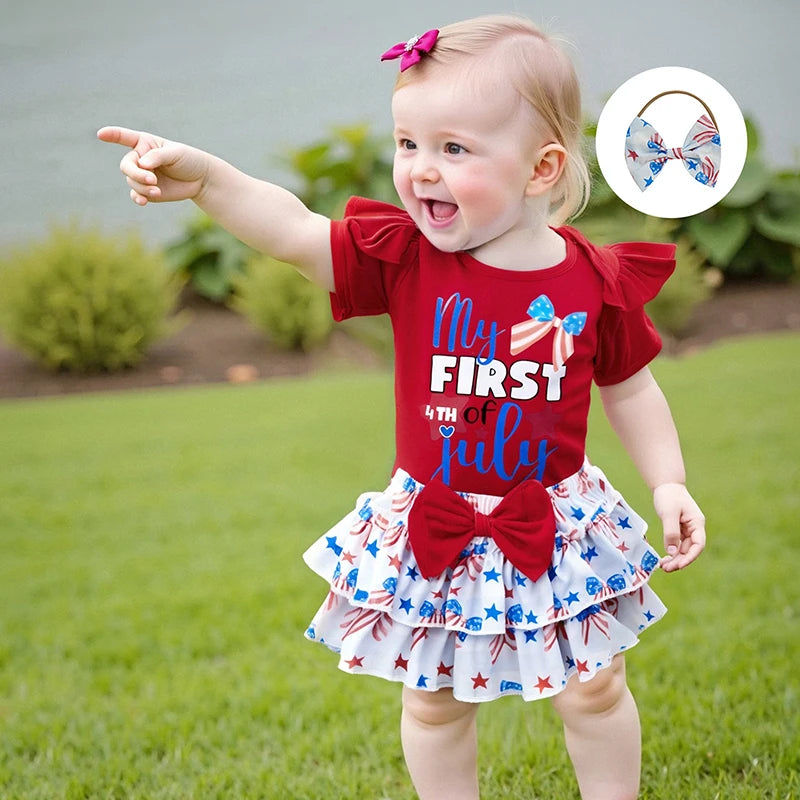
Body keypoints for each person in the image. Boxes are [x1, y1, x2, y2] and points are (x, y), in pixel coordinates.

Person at [98, 14, 706, 800]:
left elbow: (631, 387)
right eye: (408, 144)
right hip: (434, 521)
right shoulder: (404, 259)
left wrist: (669, 482)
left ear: (541, 166)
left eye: (453, 149)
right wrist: (210, 180)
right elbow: (291, 231)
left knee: (594, 686)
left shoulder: (593, 280)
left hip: (551, 519)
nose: (419, 170)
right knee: (434, 700)